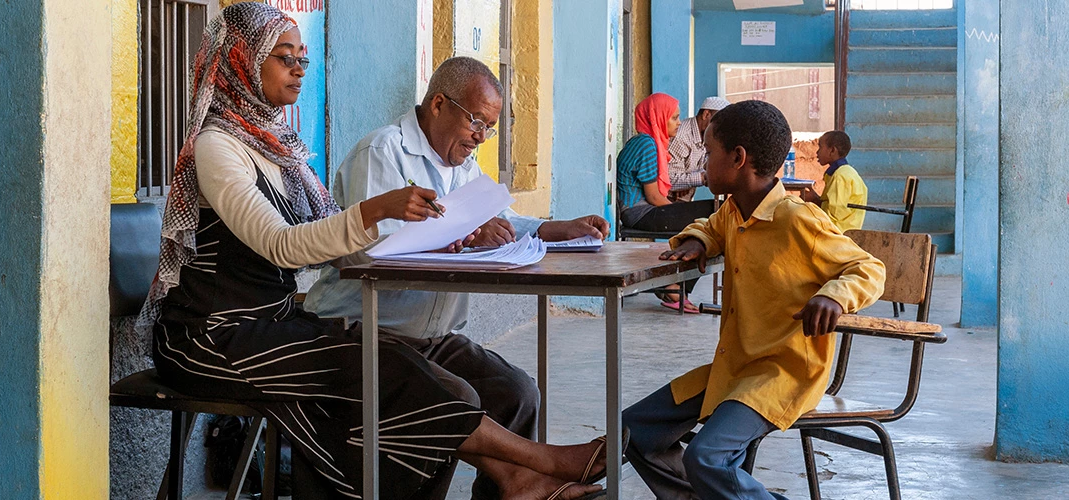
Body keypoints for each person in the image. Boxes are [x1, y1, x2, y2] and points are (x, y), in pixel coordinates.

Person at [138, 4, 608, 499]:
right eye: (283, 57)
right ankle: (543, 462)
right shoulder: (218, 145)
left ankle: (520, 480)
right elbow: (280, 246)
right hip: (210, 337)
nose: (299, 68)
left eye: (303, 57)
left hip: (273, 325)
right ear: (242, 61)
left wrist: (408, 229)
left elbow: (325, 246)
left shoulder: (278, 146)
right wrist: (376, 212)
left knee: (440, 377)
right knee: (394, 370)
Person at [304, 55, 611, 500]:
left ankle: (514, 488)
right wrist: (464, 236)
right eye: (476, 122)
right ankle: (533, 470)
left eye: (489, 128)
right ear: (438, 104)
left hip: (429, 336)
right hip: (361, 328)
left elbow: (498, 218)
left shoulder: (460, 163)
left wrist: (550, 228)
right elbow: (369, 250)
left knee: (517, 392)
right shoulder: (382, 152)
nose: (480, 138)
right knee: (457, 397)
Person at [622, 100, 886, 500]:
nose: (704, 164)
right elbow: (711, 227)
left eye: (709, 154)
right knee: (631, 431)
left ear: (738, 158)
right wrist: (698, 239)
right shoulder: (734, 210)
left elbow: (869, 269)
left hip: (781, 374)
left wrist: (835, 296)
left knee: (706, 458)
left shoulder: (798, 219)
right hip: (735, 365)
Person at [616, 93, 708, 312]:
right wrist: (680, 211)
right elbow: (654, 197)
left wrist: (681, 212)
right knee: (711, 219)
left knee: (710, 221)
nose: (678, 123)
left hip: (643, 210)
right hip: (638, 213)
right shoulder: (646, 145)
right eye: (674, 118)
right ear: (659, 117)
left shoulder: (648, 142)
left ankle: (672, 284)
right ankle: (673, 286)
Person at [799, 130, 868, 232]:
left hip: (838, 234)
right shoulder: (843, 172)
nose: (817, 152)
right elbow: (833, 205)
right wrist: (816, 199)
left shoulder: (840, 176)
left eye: (820, 147)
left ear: (832, 151)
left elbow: (833, 216)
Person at [667, 96, 730, 202]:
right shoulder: (682, 136)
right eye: (719, 122)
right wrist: (704, 177)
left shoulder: (707, 136)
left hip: (683, 201)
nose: (722, 128)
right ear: (706, 114)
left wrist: (687, 181)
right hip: (668, 202)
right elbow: (670, 180)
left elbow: (706, 166)